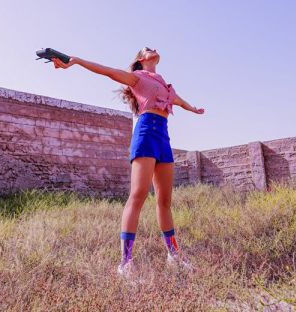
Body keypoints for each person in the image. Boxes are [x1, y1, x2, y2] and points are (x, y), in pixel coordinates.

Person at [51, 47, 205, 278]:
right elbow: (108, 71)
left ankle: (173, 255)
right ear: (141, 59)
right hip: (145, 134)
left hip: (163, 138)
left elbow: (178, 101)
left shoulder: (164, 84)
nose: (154, 49)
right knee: (138, 194)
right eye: (148, 49)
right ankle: (125, 263)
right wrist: (76, 61)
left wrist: (193, 108)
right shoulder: (138, 78)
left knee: (164, 201)